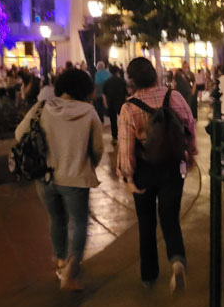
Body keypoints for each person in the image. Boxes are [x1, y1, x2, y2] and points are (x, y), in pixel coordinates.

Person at [15, 68, 103, 291]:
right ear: (84, 89)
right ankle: (72, 268)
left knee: (56, 219)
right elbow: (97, 148)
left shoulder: (43, 107)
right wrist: (89, 163)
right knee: (79, 221)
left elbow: (19, 134)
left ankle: (62, 262)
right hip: (76, 178)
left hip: (46, 177)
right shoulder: (88, 111)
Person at [117, 57, 197, 292]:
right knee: (170, 217)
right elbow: (189, 126)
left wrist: (128, 177)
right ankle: (177, 261)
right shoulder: (174, 96)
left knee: (146, 222)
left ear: (132, 80)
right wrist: (189, 154)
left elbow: (126, 149)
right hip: (172, 165)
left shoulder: (129, 107)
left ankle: (149, 276)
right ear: (154, 73)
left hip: (145, 169)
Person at [102, 65, 128, 143]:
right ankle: (125, 135)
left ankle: (114, 137)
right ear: (117, 72)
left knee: (113, 121)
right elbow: (126, 93)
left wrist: (105, 104)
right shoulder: (122, 81)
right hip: (121, 103)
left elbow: (104, 94)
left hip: (111, 103)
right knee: (124, 120)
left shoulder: (107, 82)